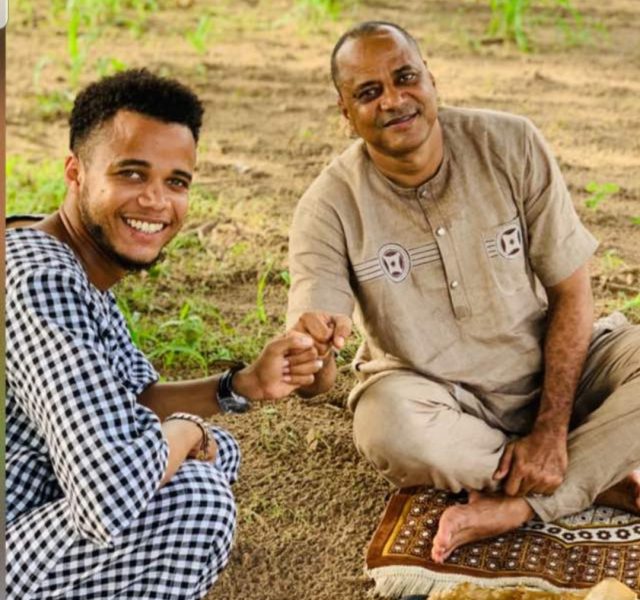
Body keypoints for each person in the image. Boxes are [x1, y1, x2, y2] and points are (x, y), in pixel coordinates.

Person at [286, 21, 640, 565]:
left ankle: (528, 501)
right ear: (346, 112)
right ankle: (599, 475)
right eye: (369, 92)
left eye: (405, 78)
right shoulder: (327, 207)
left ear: (431, 79)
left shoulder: (511, 142)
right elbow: (316, 371)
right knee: (386, 426)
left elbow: (572, 293)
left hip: (557, 369)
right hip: (441, 400)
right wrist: (311, 357)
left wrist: (549, 430)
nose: (393, 100)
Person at [5, 69, 323, 599]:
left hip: (26, 511)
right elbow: (108, 496)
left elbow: (133, 401)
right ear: (76, 173)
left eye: (176, 182)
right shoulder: (40, 279)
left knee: (194, 461)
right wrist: (188, 432)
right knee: (192, 501)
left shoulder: (74, 265)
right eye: (132, 174)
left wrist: (241, 386)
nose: (156, 201)